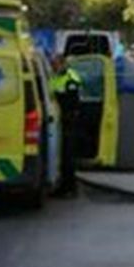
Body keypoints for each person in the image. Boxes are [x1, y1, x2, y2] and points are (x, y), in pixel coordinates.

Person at [49, 53, 82, 196]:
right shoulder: (55, 77)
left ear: (62, 63)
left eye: (55, 63)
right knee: (62, 154)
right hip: (58, 120)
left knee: (67, 155)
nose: (53, 66)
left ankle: (69, 187)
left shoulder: (71, 77)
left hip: (69, 120)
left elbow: (71, 101)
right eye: (53, 64)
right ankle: (64, 185)